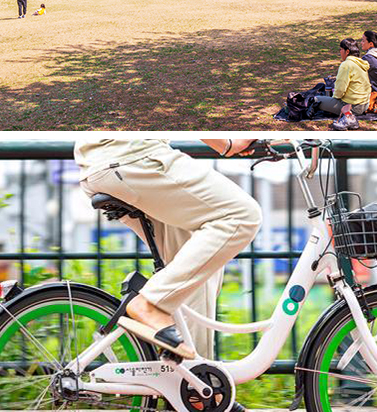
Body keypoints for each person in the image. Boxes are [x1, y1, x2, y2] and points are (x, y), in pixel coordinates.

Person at [74, 137, 262, 359]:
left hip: (105, 163)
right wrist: (227, 143)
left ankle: (196, 383)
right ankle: (149, 302)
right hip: (132, 156)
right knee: (241, 215)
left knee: (195, 275)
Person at [313, 38, 372, 130]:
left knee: (315, 100)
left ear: (347, 51)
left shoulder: (346, 64)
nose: (340, 52)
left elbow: (340, 91)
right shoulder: (360, 63)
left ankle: (348, 117)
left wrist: (332, 98)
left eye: (341, 49)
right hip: (364, 104)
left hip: (352, 106)